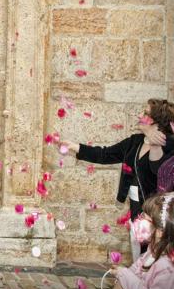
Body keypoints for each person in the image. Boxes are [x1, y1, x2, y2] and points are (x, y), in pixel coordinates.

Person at [61, 99, 174, 261]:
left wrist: (154, 139)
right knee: (138, 254)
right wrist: (75, 147)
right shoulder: (135, 141)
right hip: (136, 207)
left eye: (145, 113)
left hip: (156, 211)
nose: (139, 115)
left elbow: (158, 170)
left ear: (156, 121)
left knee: (153, 255)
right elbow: (105, 154)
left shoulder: (168, 145)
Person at [98, 193, 174, 289]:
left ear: (160, 231)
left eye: (144, 217)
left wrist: (124, 275)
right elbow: (138, 267)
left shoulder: (168, 268)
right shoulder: (154, 248)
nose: (138, 219)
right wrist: (122, 283)